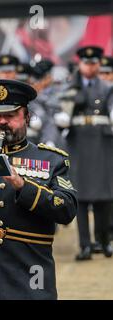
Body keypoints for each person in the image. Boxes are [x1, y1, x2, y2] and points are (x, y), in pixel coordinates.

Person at [0, 79, 77, 299]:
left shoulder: (51, 159)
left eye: (10, 116)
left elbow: (66, 209)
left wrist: (23, 187)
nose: (2, 122)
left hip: (30, 271)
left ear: (26, 117)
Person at [55, 46, 113, 260]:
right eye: (86, 63)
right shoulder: (71, 87)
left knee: (104, 197)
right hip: (78, 143)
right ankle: (85, 245)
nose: (90, 66)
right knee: (81, 197)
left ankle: (104, 241)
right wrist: (61, 119)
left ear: (99, 64)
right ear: (80, 64)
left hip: (102, 143)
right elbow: (60, 111)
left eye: (94, 63)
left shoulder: (107, 87)